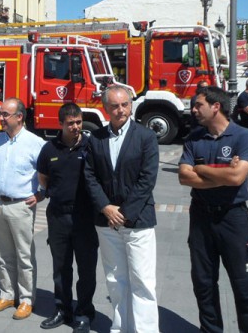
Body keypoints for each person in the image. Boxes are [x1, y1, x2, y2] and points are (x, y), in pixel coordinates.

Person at [179, 86, 248, 333]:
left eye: (198, 105)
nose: (193, 109)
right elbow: (184, 177)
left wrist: (202, 169)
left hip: (233, 217)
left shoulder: (243, 136)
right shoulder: (193, 138)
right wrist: (224, 174)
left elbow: (237, 178)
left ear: (216, 106)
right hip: (201, 216)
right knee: (203, 283)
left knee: (244, 285)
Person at [84, 86, 160, 333]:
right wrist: (106, 207)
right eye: (115, 106)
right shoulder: (96, 139)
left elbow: (147, 179)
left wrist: (124, 212)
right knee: (115, 281)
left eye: (125, 105)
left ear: (131, 105)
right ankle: (120, 328)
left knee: (142, 282)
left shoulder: (145, 137)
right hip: (107, 222)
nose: (121, 110)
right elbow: (89, 175)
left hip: (138, 221)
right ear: (105, 109)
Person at [0, 98, 46, 320]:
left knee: (24, 255)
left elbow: (47, 174)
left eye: (4, 115)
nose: (0, 118)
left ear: (19, 117)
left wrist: (41, 194)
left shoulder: (35, 143)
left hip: (21, 206)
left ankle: (27, 299)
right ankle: (8, 294)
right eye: (0, 114)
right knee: (3, 254)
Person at [37, 104, 98, 332]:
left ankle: (83, 312)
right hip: (58, 216)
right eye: (70, 123)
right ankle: (63, 309)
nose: (75, 127)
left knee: (86, 268)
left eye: (78, 122)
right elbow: (43, 178)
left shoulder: (91, 146)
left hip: (84, 217)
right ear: (60, 124)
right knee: (61, 267)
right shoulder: (49, 149)